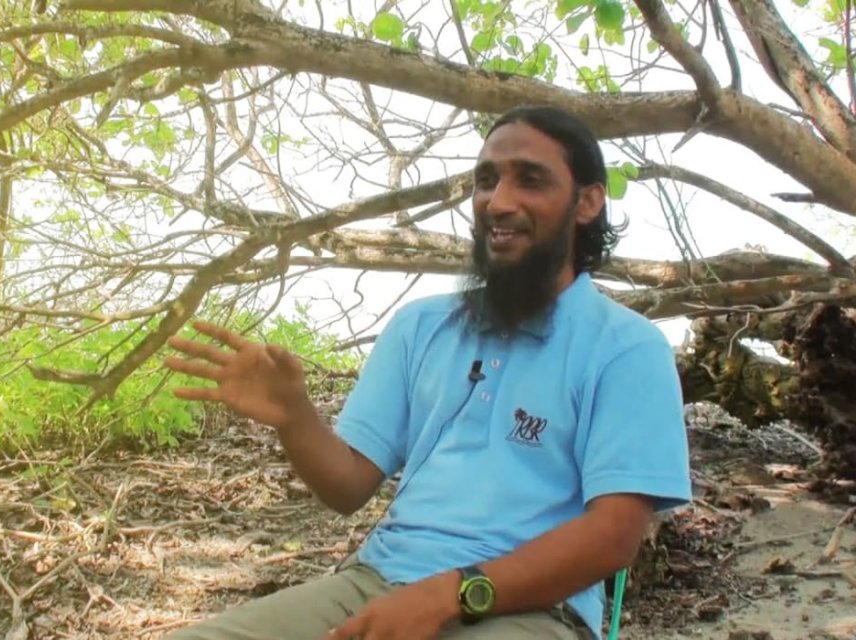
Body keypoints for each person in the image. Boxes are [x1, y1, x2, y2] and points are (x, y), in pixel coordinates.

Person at [162, 105, 692, 640]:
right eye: (486, 181)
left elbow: (613, 537)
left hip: (534, 612)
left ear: (588, 201)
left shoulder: (626, 349)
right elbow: (346, 487)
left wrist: (450, 595)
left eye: (530, 180)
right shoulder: (422, 326)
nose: (499, 202)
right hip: (375, 583)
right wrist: (295, 418)